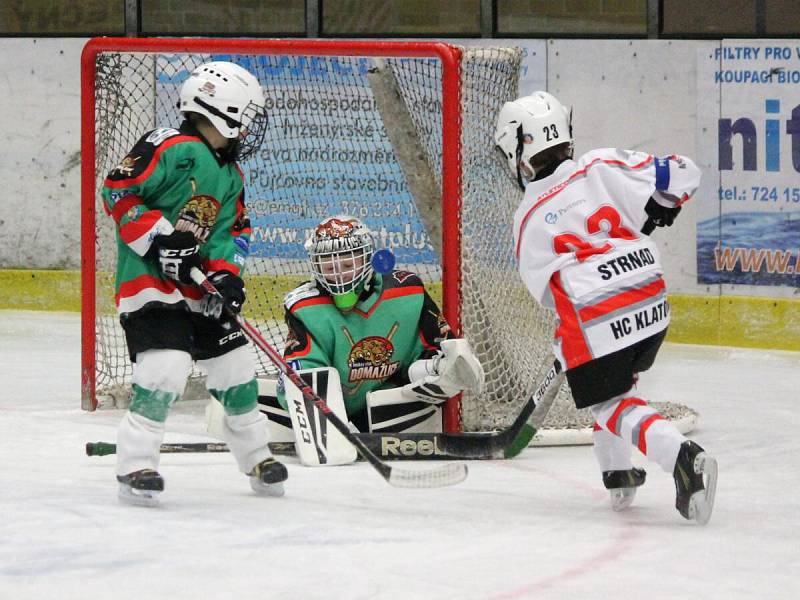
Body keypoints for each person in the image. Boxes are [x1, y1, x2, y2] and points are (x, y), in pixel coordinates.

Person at [494, 91, 717, 524]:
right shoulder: (602, 164)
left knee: (608, 404)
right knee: (618, 384)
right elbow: (685, 173)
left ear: (520, 150)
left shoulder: (526, 215)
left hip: (595, 312)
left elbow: (544, 290)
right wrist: (662, 205)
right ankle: (618, 474)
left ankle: (684, 460)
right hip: (651, 299)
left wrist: (572, 336)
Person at [102, 61, 287, 505]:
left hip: (198, 290)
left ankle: (258, 457)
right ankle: (136, 463)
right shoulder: (169, 146)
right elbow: (117, 189)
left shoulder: (230, 174)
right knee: (165, 368)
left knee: (236, 369)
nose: (248, 128)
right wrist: (160, 239)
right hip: (150, 286)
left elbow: (232, 232)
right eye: (245, 116)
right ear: (222, 109)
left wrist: (226, 274)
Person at [278, 215, 484, 437]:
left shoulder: (407, 292)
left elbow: (437, 344)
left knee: (441, 368)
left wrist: (447, 367)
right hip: (331, 406)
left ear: (369, 260)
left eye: (348, 264)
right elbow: (302, 367)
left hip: (385, 400)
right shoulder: (304, 306)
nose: (339, 275)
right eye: (328, 268)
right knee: (305, 380)